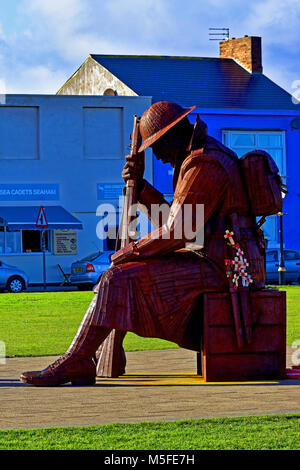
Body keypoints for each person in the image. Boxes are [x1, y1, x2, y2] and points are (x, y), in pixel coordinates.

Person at [20, 101, 265, 386]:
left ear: (171, 135)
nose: (158, 156)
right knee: (116, 278)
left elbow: (178, 231)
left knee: (118, 277)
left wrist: (130, 251)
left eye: (157, 146)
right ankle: (80, 358)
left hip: (225, 269)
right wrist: (142, 185)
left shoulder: (205, 163)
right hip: (214, 260)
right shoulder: (196, 158)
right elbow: (173, 219)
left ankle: (77, 359)